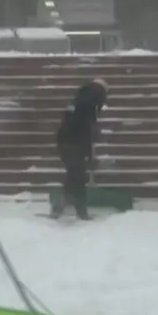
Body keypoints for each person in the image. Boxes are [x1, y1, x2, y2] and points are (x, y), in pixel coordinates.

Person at [51, 78, 108, 220]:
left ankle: (75, 209)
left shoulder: (79, 99)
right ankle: (69, 208)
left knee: (76, 176)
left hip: (66, 142)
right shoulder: (89, 102)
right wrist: (88, 152)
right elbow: (84, 130)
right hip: (74, 144)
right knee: (76, 176)